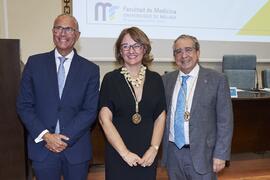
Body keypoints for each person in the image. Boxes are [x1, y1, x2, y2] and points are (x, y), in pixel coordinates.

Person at [16, 14, 100, 180]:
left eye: (68, 29)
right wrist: (47, 136)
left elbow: (90, 110)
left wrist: (63, 139)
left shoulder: (90, 69)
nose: (63, 33)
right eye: (58, 28)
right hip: (42, 148)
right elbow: (24, 105)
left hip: (76, 150)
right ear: (52, 32)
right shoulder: (34, 63)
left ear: (77, 35)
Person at [162, 34, 233, 180]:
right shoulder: (165, 81)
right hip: (173, 154)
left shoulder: (217, 80)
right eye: (178, 51)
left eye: (188, 50)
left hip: (203, 155)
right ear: (174, 56)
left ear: (198, 53)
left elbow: (225, 121)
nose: (183, 55)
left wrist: (221, 154)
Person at [98, 27, 166, 180]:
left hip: (147, 154)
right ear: (120, 51)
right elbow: (104, 119)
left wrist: (154, 148)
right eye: (125, 46)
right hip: (118, 153)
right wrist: (125, 153)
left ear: (144, 49)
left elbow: (160, 116)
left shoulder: (156, 79)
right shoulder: (110, 79)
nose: (131, 50)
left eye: (136, 45)